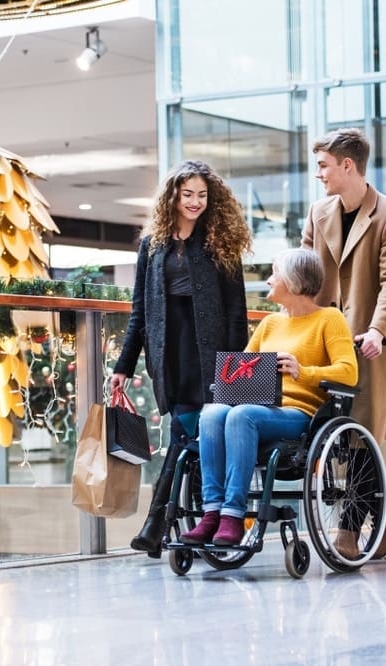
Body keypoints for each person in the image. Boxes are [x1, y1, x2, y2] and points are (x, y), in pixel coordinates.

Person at [110, 159, 253, 558]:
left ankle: (163, 524)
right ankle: (184, 521)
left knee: (189, 437)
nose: (195, 202)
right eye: (187, 194)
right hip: (170, 354)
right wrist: (124, 366)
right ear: (172, 195)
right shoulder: (152, 245)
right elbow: (140, 312)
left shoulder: (218, 240)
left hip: (211, 356)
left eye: (202, 195)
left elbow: (236, 310)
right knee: (187, 436)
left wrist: (233, 365)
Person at [180, 248, 358, 545]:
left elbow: (349, 372)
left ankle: (233, 515)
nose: (269, 281)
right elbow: (244, 372)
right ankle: (212, 513)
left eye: (274, 273)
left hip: (300, 414)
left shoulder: (329, 318)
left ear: (293, 280)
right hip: (259, 408)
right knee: (212, 413)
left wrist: (304, 371)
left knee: (240, 415)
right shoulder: (270, 323)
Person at [301, 127, 386, 559]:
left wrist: (378, 330)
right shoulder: (319, 212)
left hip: (369, 346)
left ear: (348, 166)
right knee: (340, 437)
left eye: (324, 166)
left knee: (363, 437)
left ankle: (348, 533)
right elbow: (306, 274)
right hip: (328, 342)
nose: (319, 174)